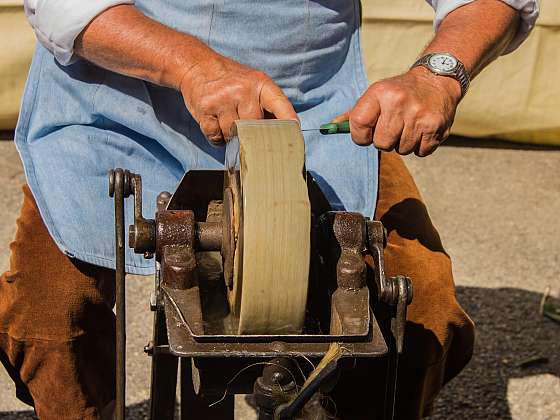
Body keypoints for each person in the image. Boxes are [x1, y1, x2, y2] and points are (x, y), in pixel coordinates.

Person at [0, 0, 538, 418]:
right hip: (117, 108)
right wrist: (193, 65)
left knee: (420, 312)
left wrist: (439, 74)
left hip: (301, 115)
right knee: (47, 317)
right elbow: (63, 7)